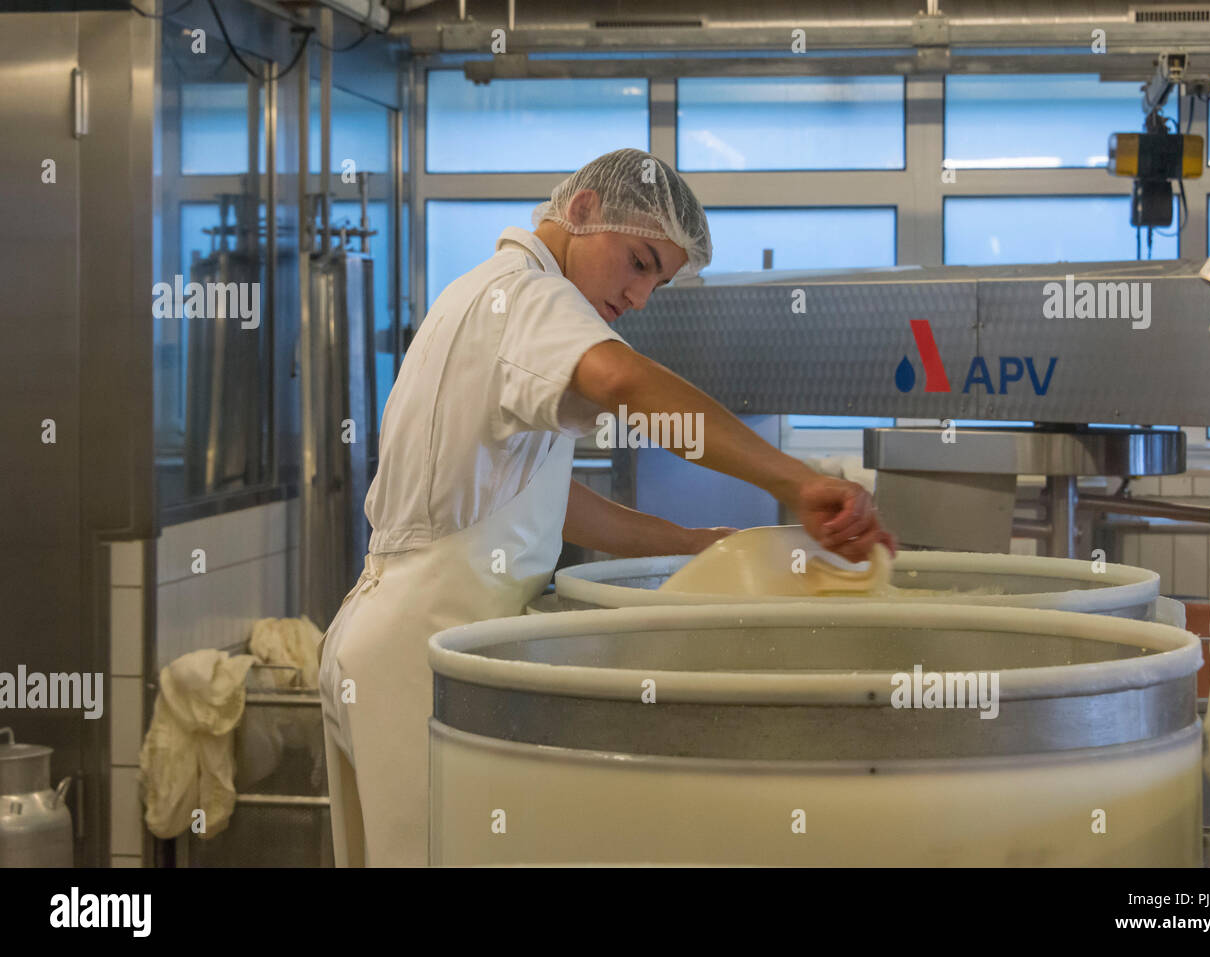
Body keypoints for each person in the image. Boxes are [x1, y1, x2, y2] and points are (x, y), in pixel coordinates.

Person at [317, 147, 896, 866]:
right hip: (421, 659)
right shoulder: (525, 295)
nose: (642, 296)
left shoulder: (486, 293)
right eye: (641, 261)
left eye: (661, 280)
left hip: (385, 644)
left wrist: (688, 544)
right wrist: (796, 482)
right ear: (584, 211)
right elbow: (623, 379)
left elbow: (543, 502)